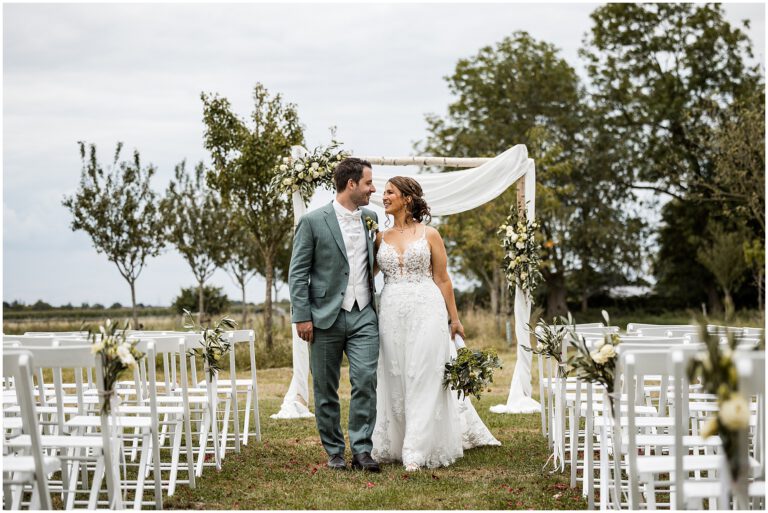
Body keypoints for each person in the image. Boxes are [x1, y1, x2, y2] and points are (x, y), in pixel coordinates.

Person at [371, 176, 500, 471]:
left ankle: (416, 448)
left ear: (406, 198)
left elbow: (442, 278)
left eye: (390, 192)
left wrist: (454, 319)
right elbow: (368, 276)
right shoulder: (379, 238)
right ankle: (394, 440)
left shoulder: (430, 234)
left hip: (427, 310)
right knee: (395, 375)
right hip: (390, 312)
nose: (384, 196)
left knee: (424, 374)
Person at [288, 158, 382, 472]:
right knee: (325, 388)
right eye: (368, 183)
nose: (373, 189)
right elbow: (298, 274)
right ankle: (334, 452)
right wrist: (302, 316)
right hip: (323, 317)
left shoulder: (371, 218)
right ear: (351, 184)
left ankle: (362, 450)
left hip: (364, 314)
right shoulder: (313, 221)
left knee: (366, 381)